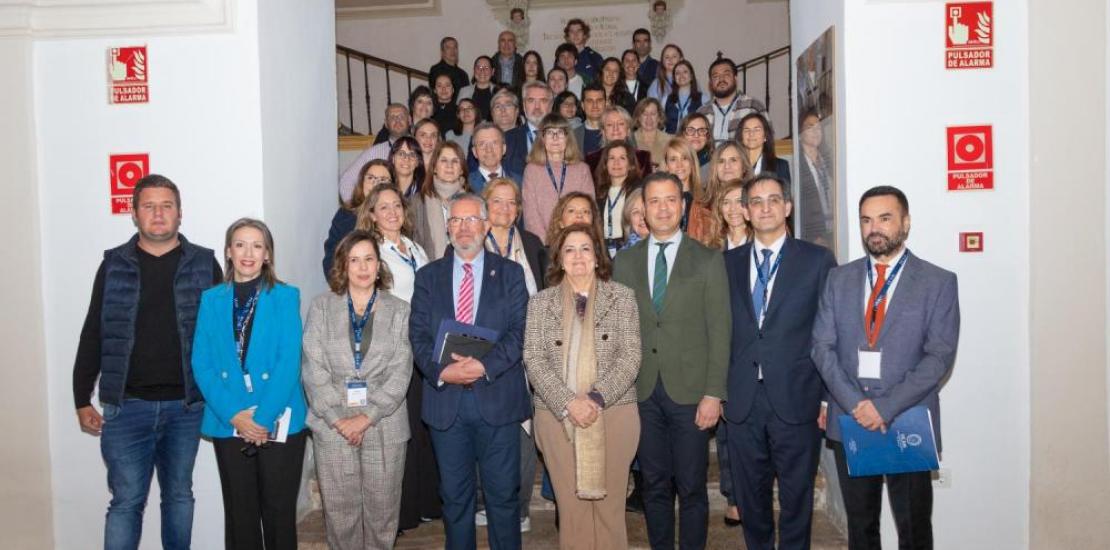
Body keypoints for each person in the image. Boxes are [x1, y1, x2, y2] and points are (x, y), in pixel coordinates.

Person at [73, 174, 221, 550]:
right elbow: (94, 331)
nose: (158, 214)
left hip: (186, 407)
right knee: (126, 502)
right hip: (126, 407)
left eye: (166, 205)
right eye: (149, 206)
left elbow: (220, 340)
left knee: (179, 496)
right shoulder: (113, 265)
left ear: (180, 213)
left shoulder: (205, 264)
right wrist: (81, 397)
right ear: (134, 213)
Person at [813, 186, 960, 550]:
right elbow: (821, 347)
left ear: (905, 223)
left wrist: (884, 407)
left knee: (914, 529)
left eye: (884, 218)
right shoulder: (838, 279)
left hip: (907, 419)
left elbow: (939, 357)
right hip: (851, 418)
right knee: (861, 528)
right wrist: (856, 404)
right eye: (866, 220)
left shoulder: (938, 282)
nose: (874, 228)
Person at [612, 172, 731, 550]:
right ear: (643, 209)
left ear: (682, 205)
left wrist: (714, 393)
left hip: (692, 393)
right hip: (642, 392)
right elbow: (618, 329)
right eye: (654, 201)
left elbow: (720, 330)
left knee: (692, 487)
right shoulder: (625, 262)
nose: (662, 208)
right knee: (654, 485)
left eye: (670, 200)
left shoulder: (708, 259)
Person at [409, 193, 532, 550]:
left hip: (498, 401)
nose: (464, 228)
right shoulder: (428, 276)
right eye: (456, 221)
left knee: (503, 499)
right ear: (448, 227)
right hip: (446, 403)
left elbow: (519, 332)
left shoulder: (510, 273)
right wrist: (441, 372)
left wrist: (483, 366)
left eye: (472, 220)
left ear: (486, 225)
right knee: (455, 500)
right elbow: (417, 335)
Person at [723, 174, 836, 550]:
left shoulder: (817, 260)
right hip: (742, 399)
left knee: (796, 499)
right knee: (750, 498)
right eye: (756, 202)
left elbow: (830, 332)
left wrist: (827, 398)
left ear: (788, 207)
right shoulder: (726, 264)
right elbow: (717, 333)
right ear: (745, 212)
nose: (765, 208)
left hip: (797, 396)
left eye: (773, 200)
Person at [524, 222, 642, 550]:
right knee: (572, 511)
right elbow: (533, 358)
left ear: (597, 256)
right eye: (570, 250)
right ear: (559, 259)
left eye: (586, 249)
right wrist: (568, 402)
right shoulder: (540, 304)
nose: (578, 256)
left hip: (614, 413)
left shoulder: (622, 298)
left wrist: (596, 397)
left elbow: (631, 356)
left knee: (610, 509)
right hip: (557, 417)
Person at [192, 218, 307, 550]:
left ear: (268, 254)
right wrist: (236, 416)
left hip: (279, 419)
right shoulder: (211, 299)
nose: (248, 253)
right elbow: (202, 363)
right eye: (240, 244)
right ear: (228, 251)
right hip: (229, 421)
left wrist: (261, 419)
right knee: (240, 516)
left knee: (279, 515)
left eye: (258, 246)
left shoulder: (286, 296)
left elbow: (288, 362)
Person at [303, 230, 413, 550]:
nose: (362, 267)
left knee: (383, 514)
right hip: (332, 424)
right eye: (354, 260)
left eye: (369, 259)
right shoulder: (321, 307)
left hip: (384, 423)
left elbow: (400, 371)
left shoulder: (400, 310)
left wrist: (366, 417)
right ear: (343, 265)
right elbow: (313, 368)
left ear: (379, 265)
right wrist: (339, 419)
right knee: (340, 515)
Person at [353, 184, 440, 532]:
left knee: (422, 427)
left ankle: (426, 502)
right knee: (398, 431)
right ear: (372, 214)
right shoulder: (372, 251)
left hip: (424, 346)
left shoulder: (415, 247)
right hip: (393, 350)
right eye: (383, 207)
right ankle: (401, 512)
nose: (392, 212)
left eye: (397, 206)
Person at [481, 177, 547, 531]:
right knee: (486, 429)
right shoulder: (472, 243)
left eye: (511, 203)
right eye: (497, 201)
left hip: (528, 351)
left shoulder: (532, 244)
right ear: (485, 206)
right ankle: (484, 502)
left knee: (524, 429)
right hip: (485, 352)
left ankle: (519, 508)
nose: (504, 209)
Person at [522, 114, 596, 244]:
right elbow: (531, 216)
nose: (555, 137)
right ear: (542, 138)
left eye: (560, 132)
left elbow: (588, 209)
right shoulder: (531, 170)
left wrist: (572, 241)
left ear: (568, 137)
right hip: (543, 245)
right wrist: (548, 244)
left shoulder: (582, 169)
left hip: (577, 242)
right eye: (550, 132)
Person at [323, 159, 393, 278]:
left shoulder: (396, 216)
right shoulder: (346, 215)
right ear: (361, 182)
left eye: (383, 180)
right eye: (370, 178)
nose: (376, 184)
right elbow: (331, 259)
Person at [412, 141, 472, 260]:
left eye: (455, 161)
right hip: (428, 267)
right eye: (444, 160)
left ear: (461, 169)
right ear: (434, 167)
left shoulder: (473, 202)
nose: (449, 165)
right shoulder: (417, 202)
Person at [338, 103, 409, 202]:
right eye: (392, 117)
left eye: (401, 116)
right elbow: (346, 181)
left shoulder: (420, 149)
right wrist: (359, 208)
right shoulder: (374, 152)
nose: (397, 120)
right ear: (386, 123)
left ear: (409, 120)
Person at [696, 57, 768, 147]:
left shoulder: (753, 107)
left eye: (726, 74)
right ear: (710, 83)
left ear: (735, 79)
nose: (721, 79)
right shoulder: (702, 112)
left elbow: (767, 140)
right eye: (716, 76)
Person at [594, 139, 643, 254]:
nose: (616, 163)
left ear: (630, 164)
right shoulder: (599, 193)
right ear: (605, 164)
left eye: (622, 158)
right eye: (611, 158)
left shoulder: (639, 191)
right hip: (604, 249)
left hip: (631, 247)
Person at [797, 110, 834, 247]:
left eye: (818, 127)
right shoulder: (797, 164)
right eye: (810, 127)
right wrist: (813, 236)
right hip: (812, 235)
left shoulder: (828, 160)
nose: (816, 131)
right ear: (800, 134)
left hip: (833, 230)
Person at [504, 80, 553, 176]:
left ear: (551, 106)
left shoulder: (564, 137)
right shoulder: (508, 138)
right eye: (531, 100)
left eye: (543, 101)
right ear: (524, 105)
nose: (537, 107)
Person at [585, 105, 652, 175]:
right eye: (610, 124)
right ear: (603, 131)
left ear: (628, 130)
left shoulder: (643, 158)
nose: (615, 128)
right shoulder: (592, 160)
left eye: (620, 124)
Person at [662, 136, 706, 235]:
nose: (679, 165)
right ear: (666, 165)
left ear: (692, 163)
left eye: (684, 158)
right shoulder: (660, 199)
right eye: (673, 159)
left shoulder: (706, 199)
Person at [469, 122, 522, 194]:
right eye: (482, 144)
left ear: (504, 149)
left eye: (494, 143)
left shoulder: (519, 182)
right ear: (474, 152)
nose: (489, 149)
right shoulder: (467, 184)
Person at [738, 112, 790, 182]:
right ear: (741, 136)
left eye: (757, 129)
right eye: (746, 130)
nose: (751, 134)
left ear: (765, 136)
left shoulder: (780, 166)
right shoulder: (733, 165)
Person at [663, 60, 709, 134]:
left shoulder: (703, 99)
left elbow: (707, 125)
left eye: (685, 72)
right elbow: (662, 124)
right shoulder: (665, 99)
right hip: (671, 139)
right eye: (677, 73)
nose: (681, 75)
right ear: (674, 78)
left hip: (694, 139)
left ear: (691, 76)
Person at [709, 179, 750, 251]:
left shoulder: (760, 241)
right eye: (726, 202)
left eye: (739, 201)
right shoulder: (711, 246)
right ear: (719, 208)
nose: (733, 208)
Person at [633, 98, 672, 170]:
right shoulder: (630, 140)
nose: (649, 118)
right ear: (638, 117)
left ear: (659, 117)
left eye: (653, 114)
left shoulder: (670, 141)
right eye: (645, 114)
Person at [457, 56, 496, 122]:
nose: (482, 71)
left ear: (492, 71)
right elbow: (459, 116)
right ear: (474, 70)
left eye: (486, 68)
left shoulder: (499, 92)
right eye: (478, 67)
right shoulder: (464, 91)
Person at [679, 112, 714, 179]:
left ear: (708, 136)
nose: (696, 135)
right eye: (690, 130)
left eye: (702, 131)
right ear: (682, 134)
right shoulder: (671, 162)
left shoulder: (714, 166)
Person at [619, 187, 649, 251]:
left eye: (646, 210)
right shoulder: (623, 254)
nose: (642, 217)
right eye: (636, 212)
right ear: (629, 220)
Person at [580, 83, 606, 154]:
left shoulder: (617, 132)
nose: (595, 105)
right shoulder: (573, 135)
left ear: (605, 104)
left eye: (599, 100)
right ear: (582, 105)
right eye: (590, 101)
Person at [432, 74, 460, 138]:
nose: (443, 89)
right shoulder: (429, 110)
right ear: (435, 90)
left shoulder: (460, 111)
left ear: (453, 89)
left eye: (447, 85)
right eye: (439, 86)